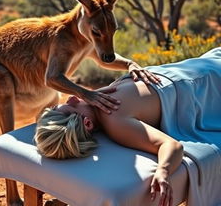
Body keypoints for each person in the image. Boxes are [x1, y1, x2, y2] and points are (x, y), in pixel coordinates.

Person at [34, 47, 221, 206]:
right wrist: (163, 171)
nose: (73, 97)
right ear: (87, 123)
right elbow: (172, 146)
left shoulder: (98, 99)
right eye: (71, 105)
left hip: (193, 69)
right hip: (206, 84)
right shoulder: (115, 122)